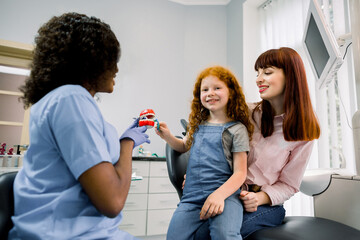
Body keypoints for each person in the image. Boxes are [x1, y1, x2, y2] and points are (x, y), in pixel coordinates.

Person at [9, 12, 150, 239]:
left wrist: (125, 139)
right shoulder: (70, 98)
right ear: (90, 59)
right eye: (111, 58)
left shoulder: (65, 100)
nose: (116, 69)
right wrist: (127, 143)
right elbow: (112, 201)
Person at [194, 47, 321, 239]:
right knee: (196, 231)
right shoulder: (246, 113)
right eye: (258, 73)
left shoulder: (304, 131)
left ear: (291, 77)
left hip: (263, 206)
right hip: (226, 193)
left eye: (267, 72)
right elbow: (213, 147)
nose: (258, 79)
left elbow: (289, 184)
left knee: (211, 234)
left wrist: (260, 198)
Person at [156, 65, 254, 239]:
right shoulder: (196, 124)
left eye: (217, 88)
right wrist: (168, 136)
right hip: (191, 198)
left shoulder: (237, 129)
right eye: (205, 89)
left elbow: (240, 173)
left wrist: (218, 195)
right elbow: (183, 146)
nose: (210, 93)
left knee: (224, 234)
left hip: (226, 196)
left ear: (231, 92)